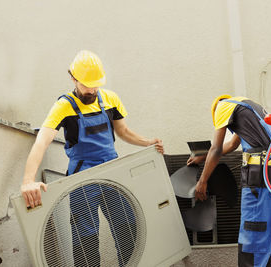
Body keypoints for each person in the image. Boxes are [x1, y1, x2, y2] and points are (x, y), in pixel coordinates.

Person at [20, 50, 164, 266]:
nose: (92, 89)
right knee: (85, 240)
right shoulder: (64, 106)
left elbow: (124, 132)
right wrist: (27, 181)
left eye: (95, 84)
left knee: (128, 229)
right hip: (82, 181)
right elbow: (42, 141)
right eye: (87, 84)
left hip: (114, 177)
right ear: (73, 78)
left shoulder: (110, 99)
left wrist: (147, 142)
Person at [187, 95, 271, 267]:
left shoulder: (222, 107)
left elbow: (217, 147)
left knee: (254, 233)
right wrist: (202, 157)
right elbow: (231, 145)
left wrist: (203, 181)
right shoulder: (248, 107)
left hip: (261, 176)